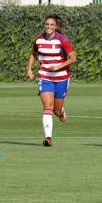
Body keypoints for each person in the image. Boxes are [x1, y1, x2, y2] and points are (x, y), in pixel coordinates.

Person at [26, 14, 76, 147]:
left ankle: (60, 112)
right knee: (47, 106)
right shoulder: (38, 40)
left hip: (62, 78)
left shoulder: (62, 40)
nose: (49, 27)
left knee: (56, 110)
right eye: (47, 24)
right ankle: (48, 137)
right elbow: (33, 54)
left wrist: (58, 67)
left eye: (51, 25)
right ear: (44, 25)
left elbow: (72, 58)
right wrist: (29, 69)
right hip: (45, 77)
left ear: (55, 27)